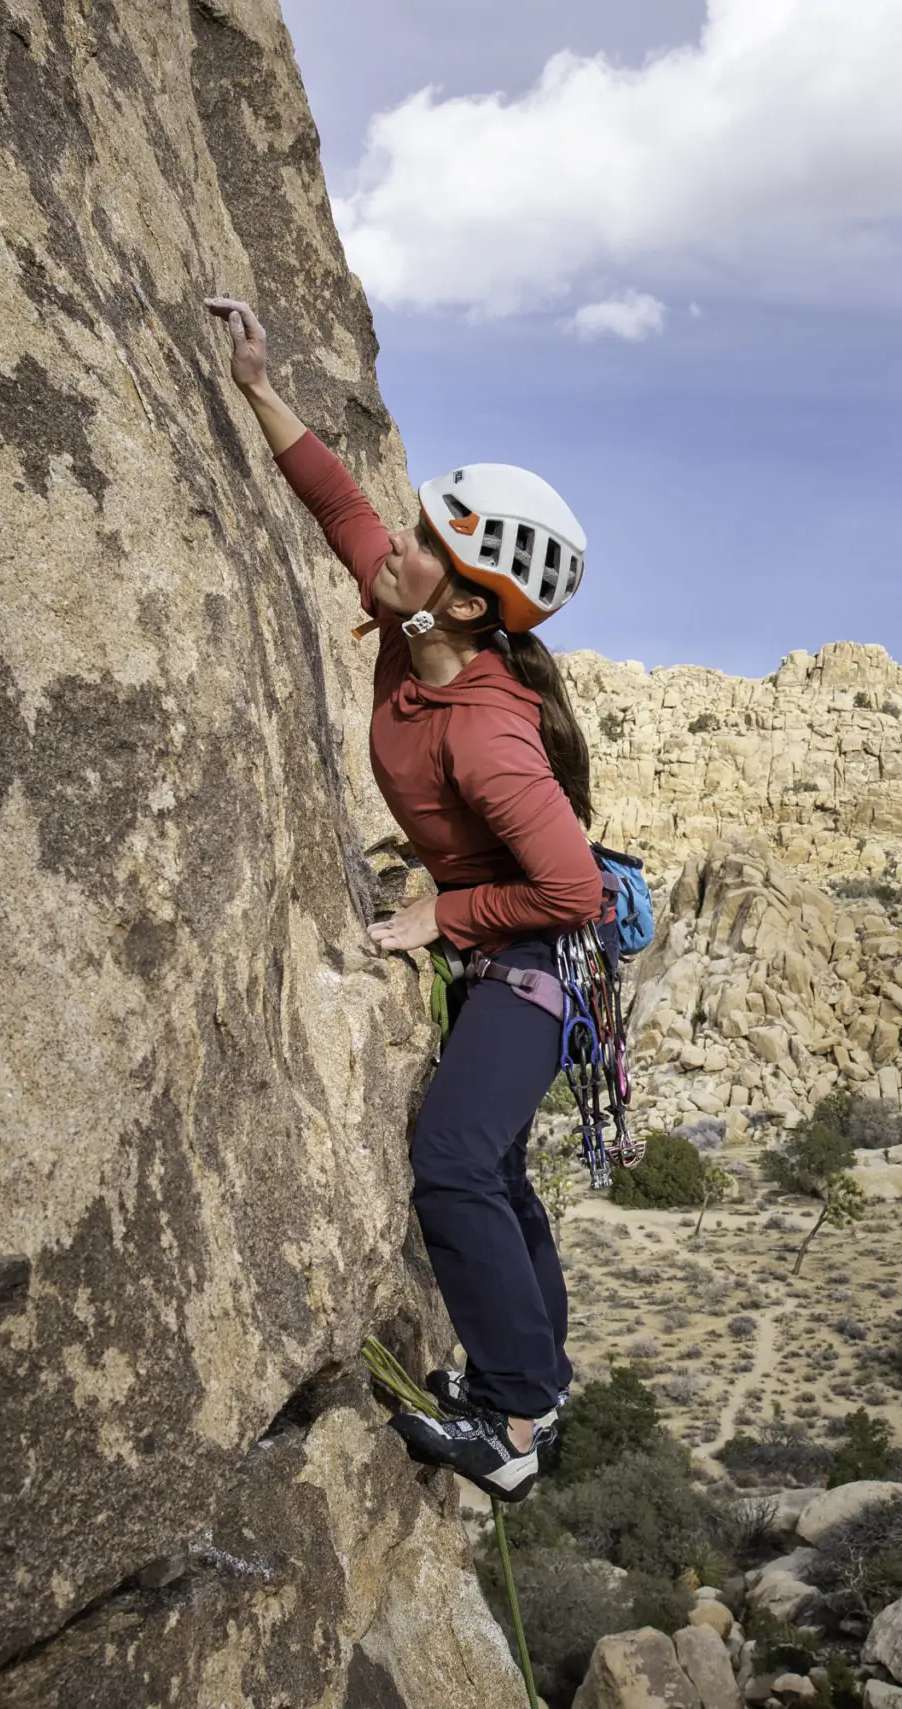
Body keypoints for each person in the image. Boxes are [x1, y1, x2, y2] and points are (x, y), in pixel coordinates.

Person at [206, 294, 600, 1501]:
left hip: (530, 958)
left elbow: (570, 886)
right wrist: (256, 383)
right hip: (503, 952)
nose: (401, 546)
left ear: (470, 603)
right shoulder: (405, 613)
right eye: (422, 526)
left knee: (452, 1163)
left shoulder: (486, 728)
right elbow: (340, 504)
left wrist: (444, 915)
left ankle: (517, 1423)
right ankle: (547, 1372)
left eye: (431, 544)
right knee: (500, 1169)